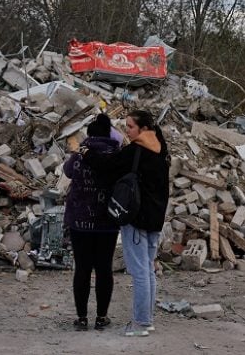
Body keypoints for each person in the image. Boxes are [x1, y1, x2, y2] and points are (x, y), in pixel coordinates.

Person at [84, 109, 169, 337]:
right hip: (155, 218)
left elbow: (107, 165)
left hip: (136, 218)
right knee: (148, 269)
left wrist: (85, 153)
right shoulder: (161, 149)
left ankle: (141, 323)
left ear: (143, 129)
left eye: (130, 126)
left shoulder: (136, 151)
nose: (126, 131)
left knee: (139, 270)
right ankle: (147, 320)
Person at [63, 113, 121, 331]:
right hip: (108, 222)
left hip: (80, 221)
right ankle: (101, 317)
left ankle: (81, 318)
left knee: (83, 268)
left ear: (90, 134)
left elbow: (68, 172)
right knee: (104, 269)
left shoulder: (80, 154)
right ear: (108, 133)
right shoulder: (117, 154)